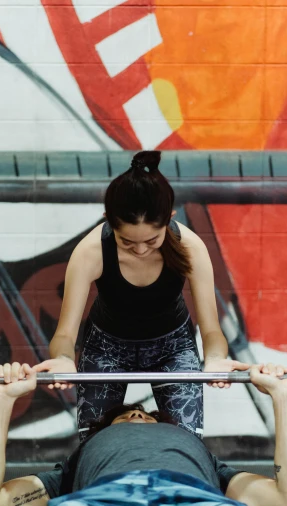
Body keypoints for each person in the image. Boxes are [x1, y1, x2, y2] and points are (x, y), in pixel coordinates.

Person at [34, 150, 248, 441]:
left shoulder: (190, 247)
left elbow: (211, 331)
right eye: (127, 242)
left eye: (151, 240)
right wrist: (61, 358)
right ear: (108, 220)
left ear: (168, 219)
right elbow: (64, 335)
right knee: (95, 443)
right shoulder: (91, 251)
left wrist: (215, 358)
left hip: (172, 346)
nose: (141, 250)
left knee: (186, 444)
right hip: (106, 347)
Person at [0, 362, 287, 506]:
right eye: (124, 417)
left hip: (195, 505)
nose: (137, 416)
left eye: (147, 416)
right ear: (99, 436)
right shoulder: (72, 469)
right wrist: (3, 401)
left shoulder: (207, 463)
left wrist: (282, 397)